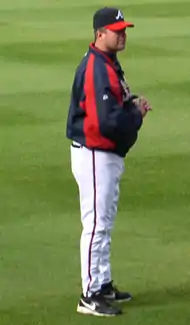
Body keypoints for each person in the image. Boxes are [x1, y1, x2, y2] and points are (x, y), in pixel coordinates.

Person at [66, 6, 152, 317]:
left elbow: (113, 110)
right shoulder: (96, 68)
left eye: (125, 29)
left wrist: (129, 108)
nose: (123, 35)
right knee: (96, 225)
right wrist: (136, 116)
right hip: (95, 154)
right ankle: (89, 295)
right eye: (118, 31)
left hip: (104, 155)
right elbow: (106, 124)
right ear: (100, 34)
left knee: (105, 223)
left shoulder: (107, 63)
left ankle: (101, 284)